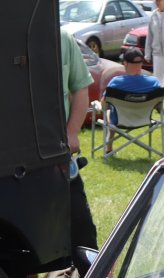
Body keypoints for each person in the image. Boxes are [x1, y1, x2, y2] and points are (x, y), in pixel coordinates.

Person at [59, 29, 99, 252]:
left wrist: (72, 132)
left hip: (59, 155)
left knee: (82, 231)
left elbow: (80, 88)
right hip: (15, 156)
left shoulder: (63, 39)